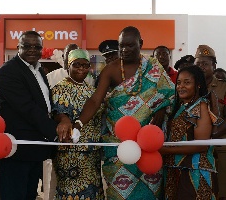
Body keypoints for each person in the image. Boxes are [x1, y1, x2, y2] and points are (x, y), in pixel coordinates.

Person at [60, 26, 175, 199]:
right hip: (118, 144)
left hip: (148, 143)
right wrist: (78, 124)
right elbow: (95, 100)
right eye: (122, 46)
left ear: (141, 44)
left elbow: (171, 95)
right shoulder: (111, 69)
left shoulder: (153, 67)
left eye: (130, 45)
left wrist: (161, 109)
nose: (125, 50)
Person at [0, 30, 58, 200]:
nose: (32, 50)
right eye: (27, 46)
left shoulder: (39, 70)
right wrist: (56, 131)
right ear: (18, 47)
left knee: (30, 195)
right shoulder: (8, 71)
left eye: (37, 47)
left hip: (35, 148)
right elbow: (27, 108)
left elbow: (45, 105)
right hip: (17, 149)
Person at [52, 49, 104, 199]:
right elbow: (59, 113)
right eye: (76, 65)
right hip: (70, 154)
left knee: (92, 192)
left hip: (91, 153)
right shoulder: (60, 88)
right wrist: (64, 119)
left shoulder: (92, 90)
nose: (81, 68)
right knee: (71, 193)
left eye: (85, 65)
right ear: (68, 66)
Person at [161, 65, 218, 199]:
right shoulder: (179, 107)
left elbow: (201, 145)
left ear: (198, 85)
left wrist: (165, 150)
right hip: (174, 171)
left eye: (187, 83)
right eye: (179, 83)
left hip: (196, 172)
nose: (181, 87)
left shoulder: (201, 106)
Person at [43, 43, 79, 200]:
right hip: (56, 135)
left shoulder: (87, 77)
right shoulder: (52, 77)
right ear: (63, 58)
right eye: (67, 56)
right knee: (53, 177)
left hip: (79, 138)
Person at [194, 44, 226, 200]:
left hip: (218, 148)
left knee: (221, 191)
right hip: (193, 149)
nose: (201, 67)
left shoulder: (223, 88)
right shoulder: (188, 87)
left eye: (205, 64)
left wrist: (211, 135)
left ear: (214, 66)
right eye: (198, 63)